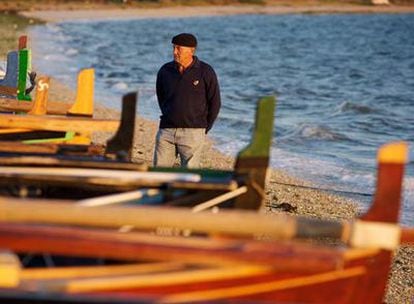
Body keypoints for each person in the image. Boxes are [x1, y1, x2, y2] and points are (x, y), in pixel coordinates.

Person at [154, 33, 221, 168]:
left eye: (179, 48)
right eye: (173, 48)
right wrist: (170, 115)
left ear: (192, 50)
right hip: (166, 131)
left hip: (193, 133)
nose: (175, 52)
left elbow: (215, 102)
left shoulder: (205, 71)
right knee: (158, 173)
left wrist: (203, 128)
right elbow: (161, 97)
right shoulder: (165, 70)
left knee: (189, 177)